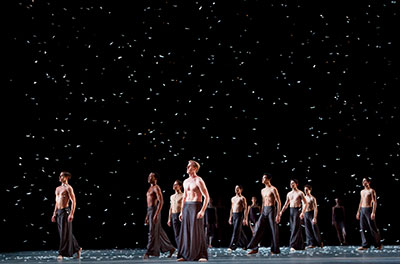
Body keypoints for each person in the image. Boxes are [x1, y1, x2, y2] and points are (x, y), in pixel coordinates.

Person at [177, 160, 210, 262]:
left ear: (195, 168)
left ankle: (201, 255)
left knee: (196, 231)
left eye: (189, 166)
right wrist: (182, 211)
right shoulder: (186, 181)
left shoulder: (199, 180)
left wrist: (202, 210)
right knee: (186, 231)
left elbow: (207, 197)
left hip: (196, 206)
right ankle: (184, 254)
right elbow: (184, 197)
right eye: (187, 165)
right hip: (187, 207)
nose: (187, 167)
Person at [247, 173, 281, 255]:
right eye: (262, 178)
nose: (262, 179)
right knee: (258, 228)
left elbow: (278, 202)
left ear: (269, 179)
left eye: (264, 178)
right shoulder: (262, 190)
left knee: (273, 229)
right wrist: (262, 212)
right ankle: (254, 248)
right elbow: (263, 202)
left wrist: (278, 214)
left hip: (272, 209)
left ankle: (275, 250)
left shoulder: (273, 189)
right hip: (264, 210)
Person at [143, 172, 176, 259]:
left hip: (154, 210)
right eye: (149, 176)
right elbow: (148, 203)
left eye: (151, 176)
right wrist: (147, 216)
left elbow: (161, 201)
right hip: (150, 210)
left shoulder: (156, 188)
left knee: (152, 232)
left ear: (155, 178)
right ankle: (171, 248)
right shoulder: (150, 188)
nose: (149, 177)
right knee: (158, 231)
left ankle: (148, 252)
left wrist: (156, 214)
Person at [51, 171, 82, 260]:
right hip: (59, 212)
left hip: (65, 211)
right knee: (64, 232)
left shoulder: (69, 188)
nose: (59, 177)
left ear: (66, 177)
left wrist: (72, 213)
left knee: (64, 233)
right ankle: (77, 248)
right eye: (59, 175)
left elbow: (74, 201)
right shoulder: (57, 188)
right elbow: (56, 202)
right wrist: (54, 213)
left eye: (61, 176)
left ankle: (61, 253)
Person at [280, 179, 308, 251]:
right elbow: (286, 204)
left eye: (293, 183)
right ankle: (301, 245)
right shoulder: (289, 194)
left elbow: (305, 203)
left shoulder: (300, 193)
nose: (291, 184)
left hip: (297, 210)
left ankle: (293, 245)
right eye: (290, 183)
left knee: (296, 227)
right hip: (291, 210)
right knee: (294, 228)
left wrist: (303, 212)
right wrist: (281, 212)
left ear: (296, 184)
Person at [356, 177, 382, 250]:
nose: (363, 182)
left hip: (368, 209)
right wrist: (358, 212)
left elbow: (375, 202)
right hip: (362, 210)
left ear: (368, 182)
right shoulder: (362, 191)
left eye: (365, 181)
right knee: (362, 228)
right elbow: (361, 202)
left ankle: (378, 244)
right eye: (362, 181)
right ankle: (365, 245)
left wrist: (373, 212)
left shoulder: (371, 191)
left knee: (372, 227)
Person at [228, 185, 248, 252]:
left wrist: (245, 219)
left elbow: (245, 209)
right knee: (240, 231)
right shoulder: (233, 198)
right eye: (235, 188)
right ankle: (246, 244)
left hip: (239, 215)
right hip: (234, 215)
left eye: (238, 188)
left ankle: (232, 246)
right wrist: (230, 217)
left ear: (241, 190)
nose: (236, 190)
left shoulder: (242, 198)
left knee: (236, 231)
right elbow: (231, 208)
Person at [167, 180, 183, 248]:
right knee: (176, 233)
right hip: (174, 215)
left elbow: (183, 206)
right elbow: (171, 208)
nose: (174, 186)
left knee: (182, 233)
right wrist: (169, 219)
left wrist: (182, 213)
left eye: (176, 184)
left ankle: (184, 248)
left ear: (180, 186)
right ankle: (179, 249)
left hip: (180, 215)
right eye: (174, 184)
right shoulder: (172, 196)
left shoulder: (183, 195)